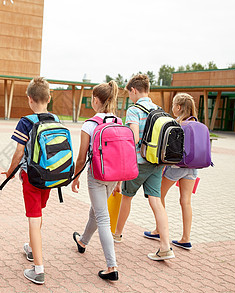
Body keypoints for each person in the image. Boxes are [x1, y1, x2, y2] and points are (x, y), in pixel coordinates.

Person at [113, 74, 175, 261]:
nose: (129, 97)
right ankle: (165, 246)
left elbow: (133, 139)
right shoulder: (159, 109)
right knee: (156, 201)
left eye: (129, 93)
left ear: (134, 90)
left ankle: (117, 234)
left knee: (127, 197)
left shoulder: (134, 110)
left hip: (138, 163)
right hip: (157, 163)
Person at [2, 77, 53, 285]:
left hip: (31, 177)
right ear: (48, 98)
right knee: (38, 214)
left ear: (30, 99)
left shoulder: (26, 122)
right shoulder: (55, 119)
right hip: (50, 176)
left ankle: (38, 269)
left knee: (33, 217)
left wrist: (10, 172)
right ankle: (32, 249)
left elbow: (19, 151)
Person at [71, 81, 121, 281]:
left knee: (102, 218)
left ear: (96, 100)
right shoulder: (119, 121)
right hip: (114, 175)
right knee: (96, 210)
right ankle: (83, 242)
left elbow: (81, 157)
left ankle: (112, 266)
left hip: (97, 175)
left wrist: (75, 177)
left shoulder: (90, 124)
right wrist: (119, 181)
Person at [144, 93, 198, 250]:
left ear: (179, 107)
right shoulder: (196, 123)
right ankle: (186, 238)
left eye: (174, 105)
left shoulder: (177, 124)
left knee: (158, 196)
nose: (172, 107)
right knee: (186, 201)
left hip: (176, 167)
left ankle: (159, 230)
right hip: (193, 168)